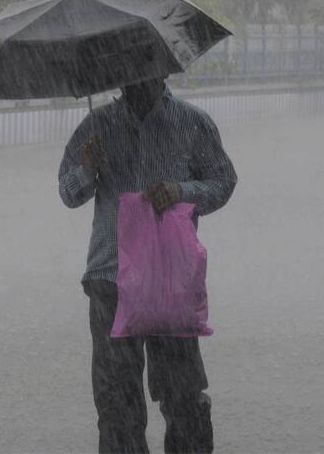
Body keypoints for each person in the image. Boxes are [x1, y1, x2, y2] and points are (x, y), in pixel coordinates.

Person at [58, 77, 237, 454]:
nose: (136, 78)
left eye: (145, 67)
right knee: (116, 403)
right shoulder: (97, 125)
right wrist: (87, 168)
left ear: (163, 70)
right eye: (127, 69)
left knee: (184, 396)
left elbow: (223, 180)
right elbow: (68, 192)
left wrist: (182, 191)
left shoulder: (192, 122)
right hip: (111, 279)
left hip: (170, 280)